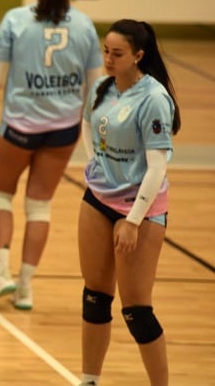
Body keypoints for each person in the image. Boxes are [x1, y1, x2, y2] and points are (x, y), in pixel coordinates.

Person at [0, 0, 102, 310]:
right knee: (39, 205)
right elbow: (96, 87)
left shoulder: (16, 19)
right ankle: (25, 287)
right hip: (63, 130)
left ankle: (1, 272)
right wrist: (90, 134)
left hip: (20, 127)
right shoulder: (85, 27)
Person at [77, 19, 181, 386]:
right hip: (97, 200)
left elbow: (157, 167)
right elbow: (87, 123)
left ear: (138, 56)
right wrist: (96, 163)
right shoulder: (103, 87)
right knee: (94, 297)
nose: (108, 58)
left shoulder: (154, 99)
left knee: (136, 309)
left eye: (117, 53)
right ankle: (90, 379)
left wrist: (134, 220)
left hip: (141, 209)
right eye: (106, 50)